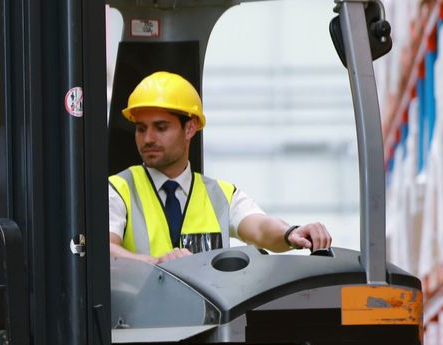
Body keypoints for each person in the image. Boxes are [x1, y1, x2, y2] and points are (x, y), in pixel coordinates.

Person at [109, 71, 332, 264]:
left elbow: (261, 228)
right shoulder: (118, 190)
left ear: (190, 128)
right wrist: (157, 263)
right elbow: (105, 251)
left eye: (161, 127)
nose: (148, 138)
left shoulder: (222, 195)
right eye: (140, 128)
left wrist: (290, 233)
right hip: (140, 314)